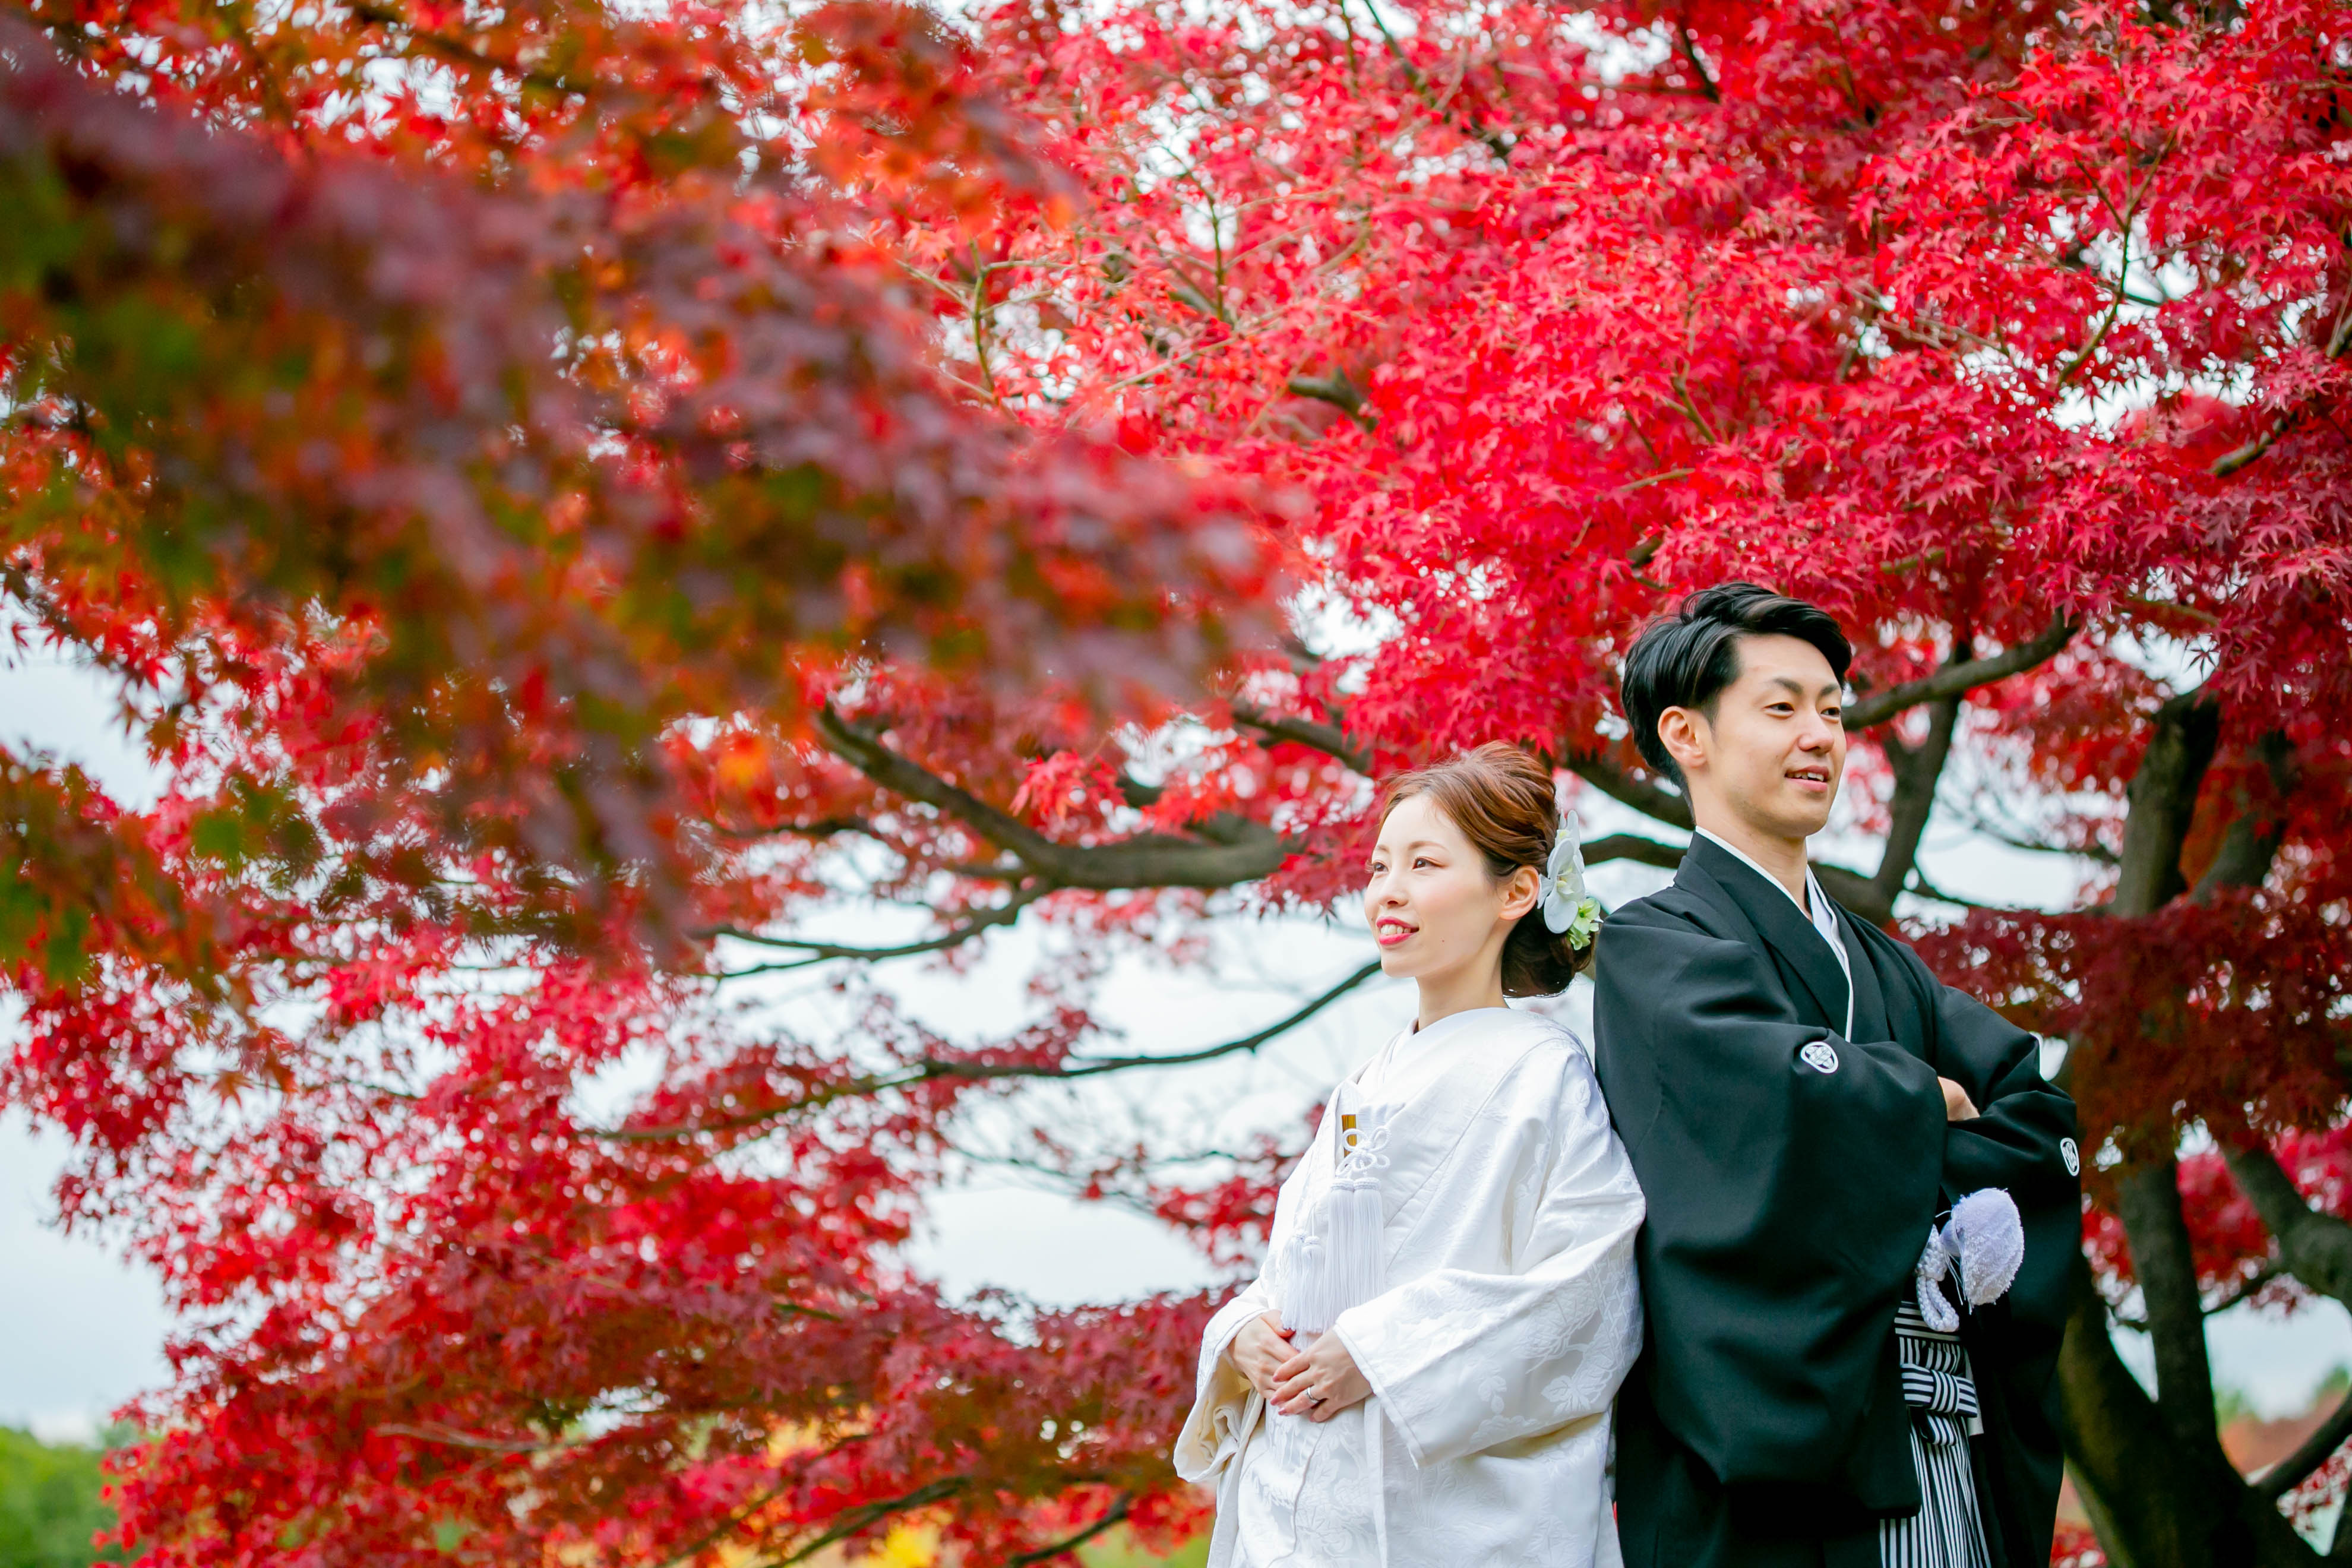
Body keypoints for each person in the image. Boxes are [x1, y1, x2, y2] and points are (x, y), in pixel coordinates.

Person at [1591, 583, 2081, 1568]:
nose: (1820, 735)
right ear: (1686, 734)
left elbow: (2039, 1119)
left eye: (1832, 710)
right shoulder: (1654, 947)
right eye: (1781, 708)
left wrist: (1883, 1118)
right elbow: (1783, 1112)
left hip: (1941, 1434)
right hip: (1769, 1452)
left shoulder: (1888, 967)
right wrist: (1925, 1104)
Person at [1173, 744, 1646, 1567]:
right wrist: (1243, 1334)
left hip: (1438, 1509)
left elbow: (1588, 1289)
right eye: (1379, 866)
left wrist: (1384, 1352)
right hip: (1302, 1493)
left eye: (1424, 864)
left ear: (1517, 892)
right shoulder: (1364, 1082)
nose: (1387, 890)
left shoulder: (1545, 1073)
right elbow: (1294, 1271)